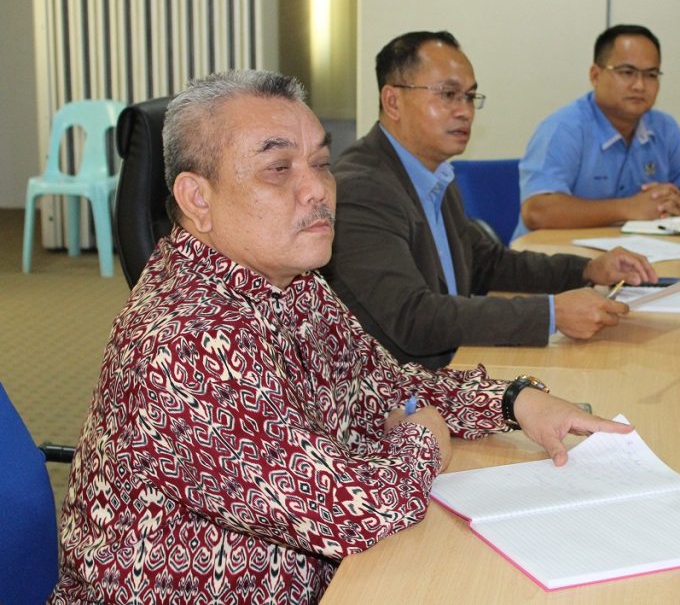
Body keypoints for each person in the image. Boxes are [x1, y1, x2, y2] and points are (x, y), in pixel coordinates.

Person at [50, 70, 633, 602]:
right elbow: (349, 511)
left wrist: (513, 401)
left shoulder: (290, 281)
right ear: (197, 199)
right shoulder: (185, 341)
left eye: (321, 163)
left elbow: (385, 387)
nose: (318, 190)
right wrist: (424, 440)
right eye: (278, 169)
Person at [322, 31, 657, 370]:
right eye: (448, 94)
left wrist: (587, 269)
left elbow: (486, 263)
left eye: (470, 97)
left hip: (454, 366)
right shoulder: (362, 188)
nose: (465, 111)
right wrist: (552, 314)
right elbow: (413, 317)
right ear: (393, 101)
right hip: (397, 388)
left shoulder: (434, 172)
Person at [514, 24, 680, 239]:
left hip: (637, 253)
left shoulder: (663, 127)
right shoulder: (564, 129)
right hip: (558, 254)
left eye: (651, 75)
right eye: (627, 72)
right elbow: (538, 211)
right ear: (595, 75)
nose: (639, 85)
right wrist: (630, 208)